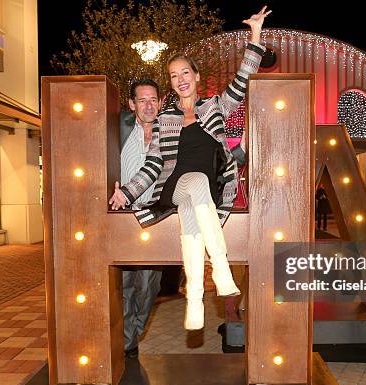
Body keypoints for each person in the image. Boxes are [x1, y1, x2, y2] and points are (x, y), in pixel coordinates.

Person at [110, 6, 271, 330]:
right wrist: (127, 193)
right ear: (171, 82)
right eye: (174, 75)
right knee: (194, 182)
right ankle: (221, 270)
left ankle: (195, 299)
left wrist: (255, 35)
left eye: (186, 73)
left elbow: (242, 81)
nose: (180, 79)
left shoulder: (215, 106)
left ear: (196, 76)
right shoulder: (164, 118)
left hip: (207, 192)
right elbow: (154, 163)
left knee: (193, 225)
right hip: (175, 185)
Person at [119, 79, 163, 357]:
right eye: (142, 100)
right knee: (124, 285)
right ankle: (126, 343)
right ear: (132, 104)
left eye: (153, 99)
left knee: (148, 286)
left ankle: (135, 331)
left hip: (157, 218)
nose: (149, 105)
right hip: (123, 217)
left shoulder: (171, 130)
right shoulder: (119, 129)